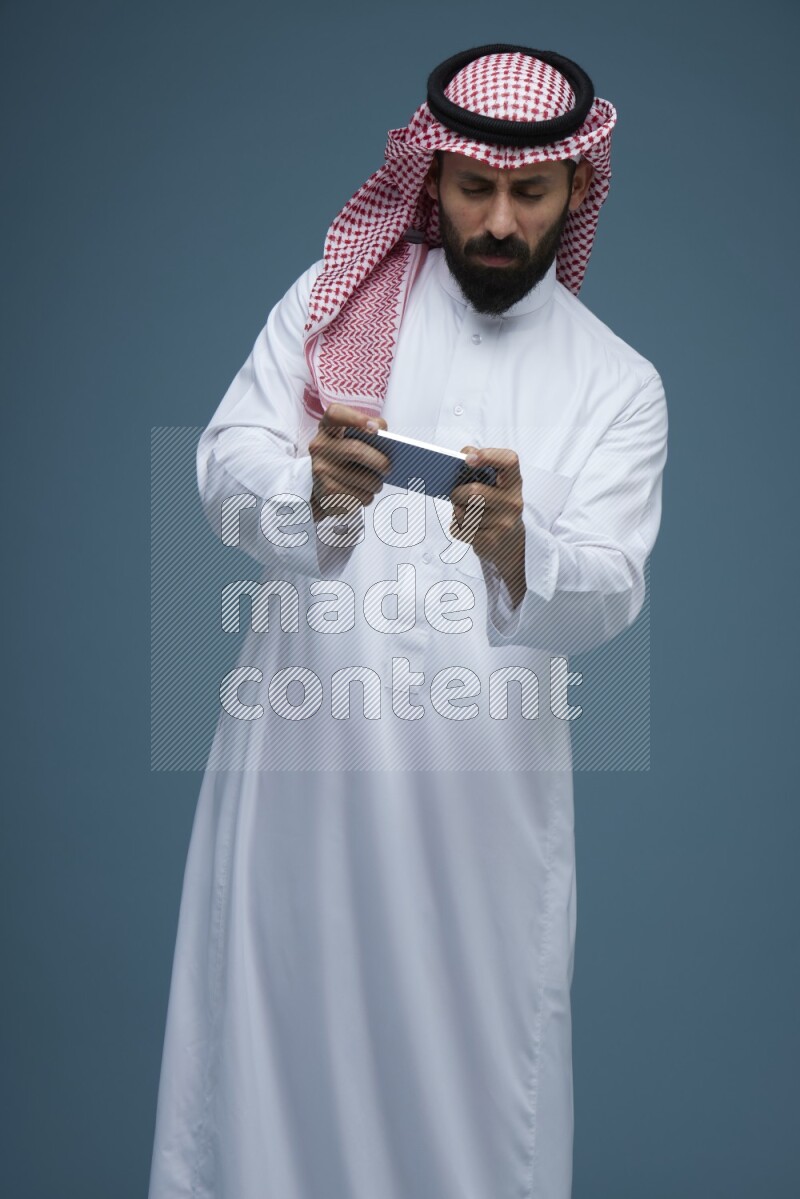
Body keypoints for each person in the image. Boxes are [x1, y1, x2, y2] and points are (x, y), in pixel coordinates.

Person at [148, 44, 668, 1199]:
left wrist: (516, 551)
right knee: (268, 1083)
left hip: (476, 830)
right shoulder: (337, 301)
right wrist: (308, 495)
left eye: (527, 193)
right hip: (298, 788)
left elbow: (612, 586)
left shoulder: (615, 384)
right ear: (428, 176)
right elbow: (226, 460)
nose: (495, 218)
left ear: (575, 189)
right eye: (471, 187)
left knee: (473, 1111)